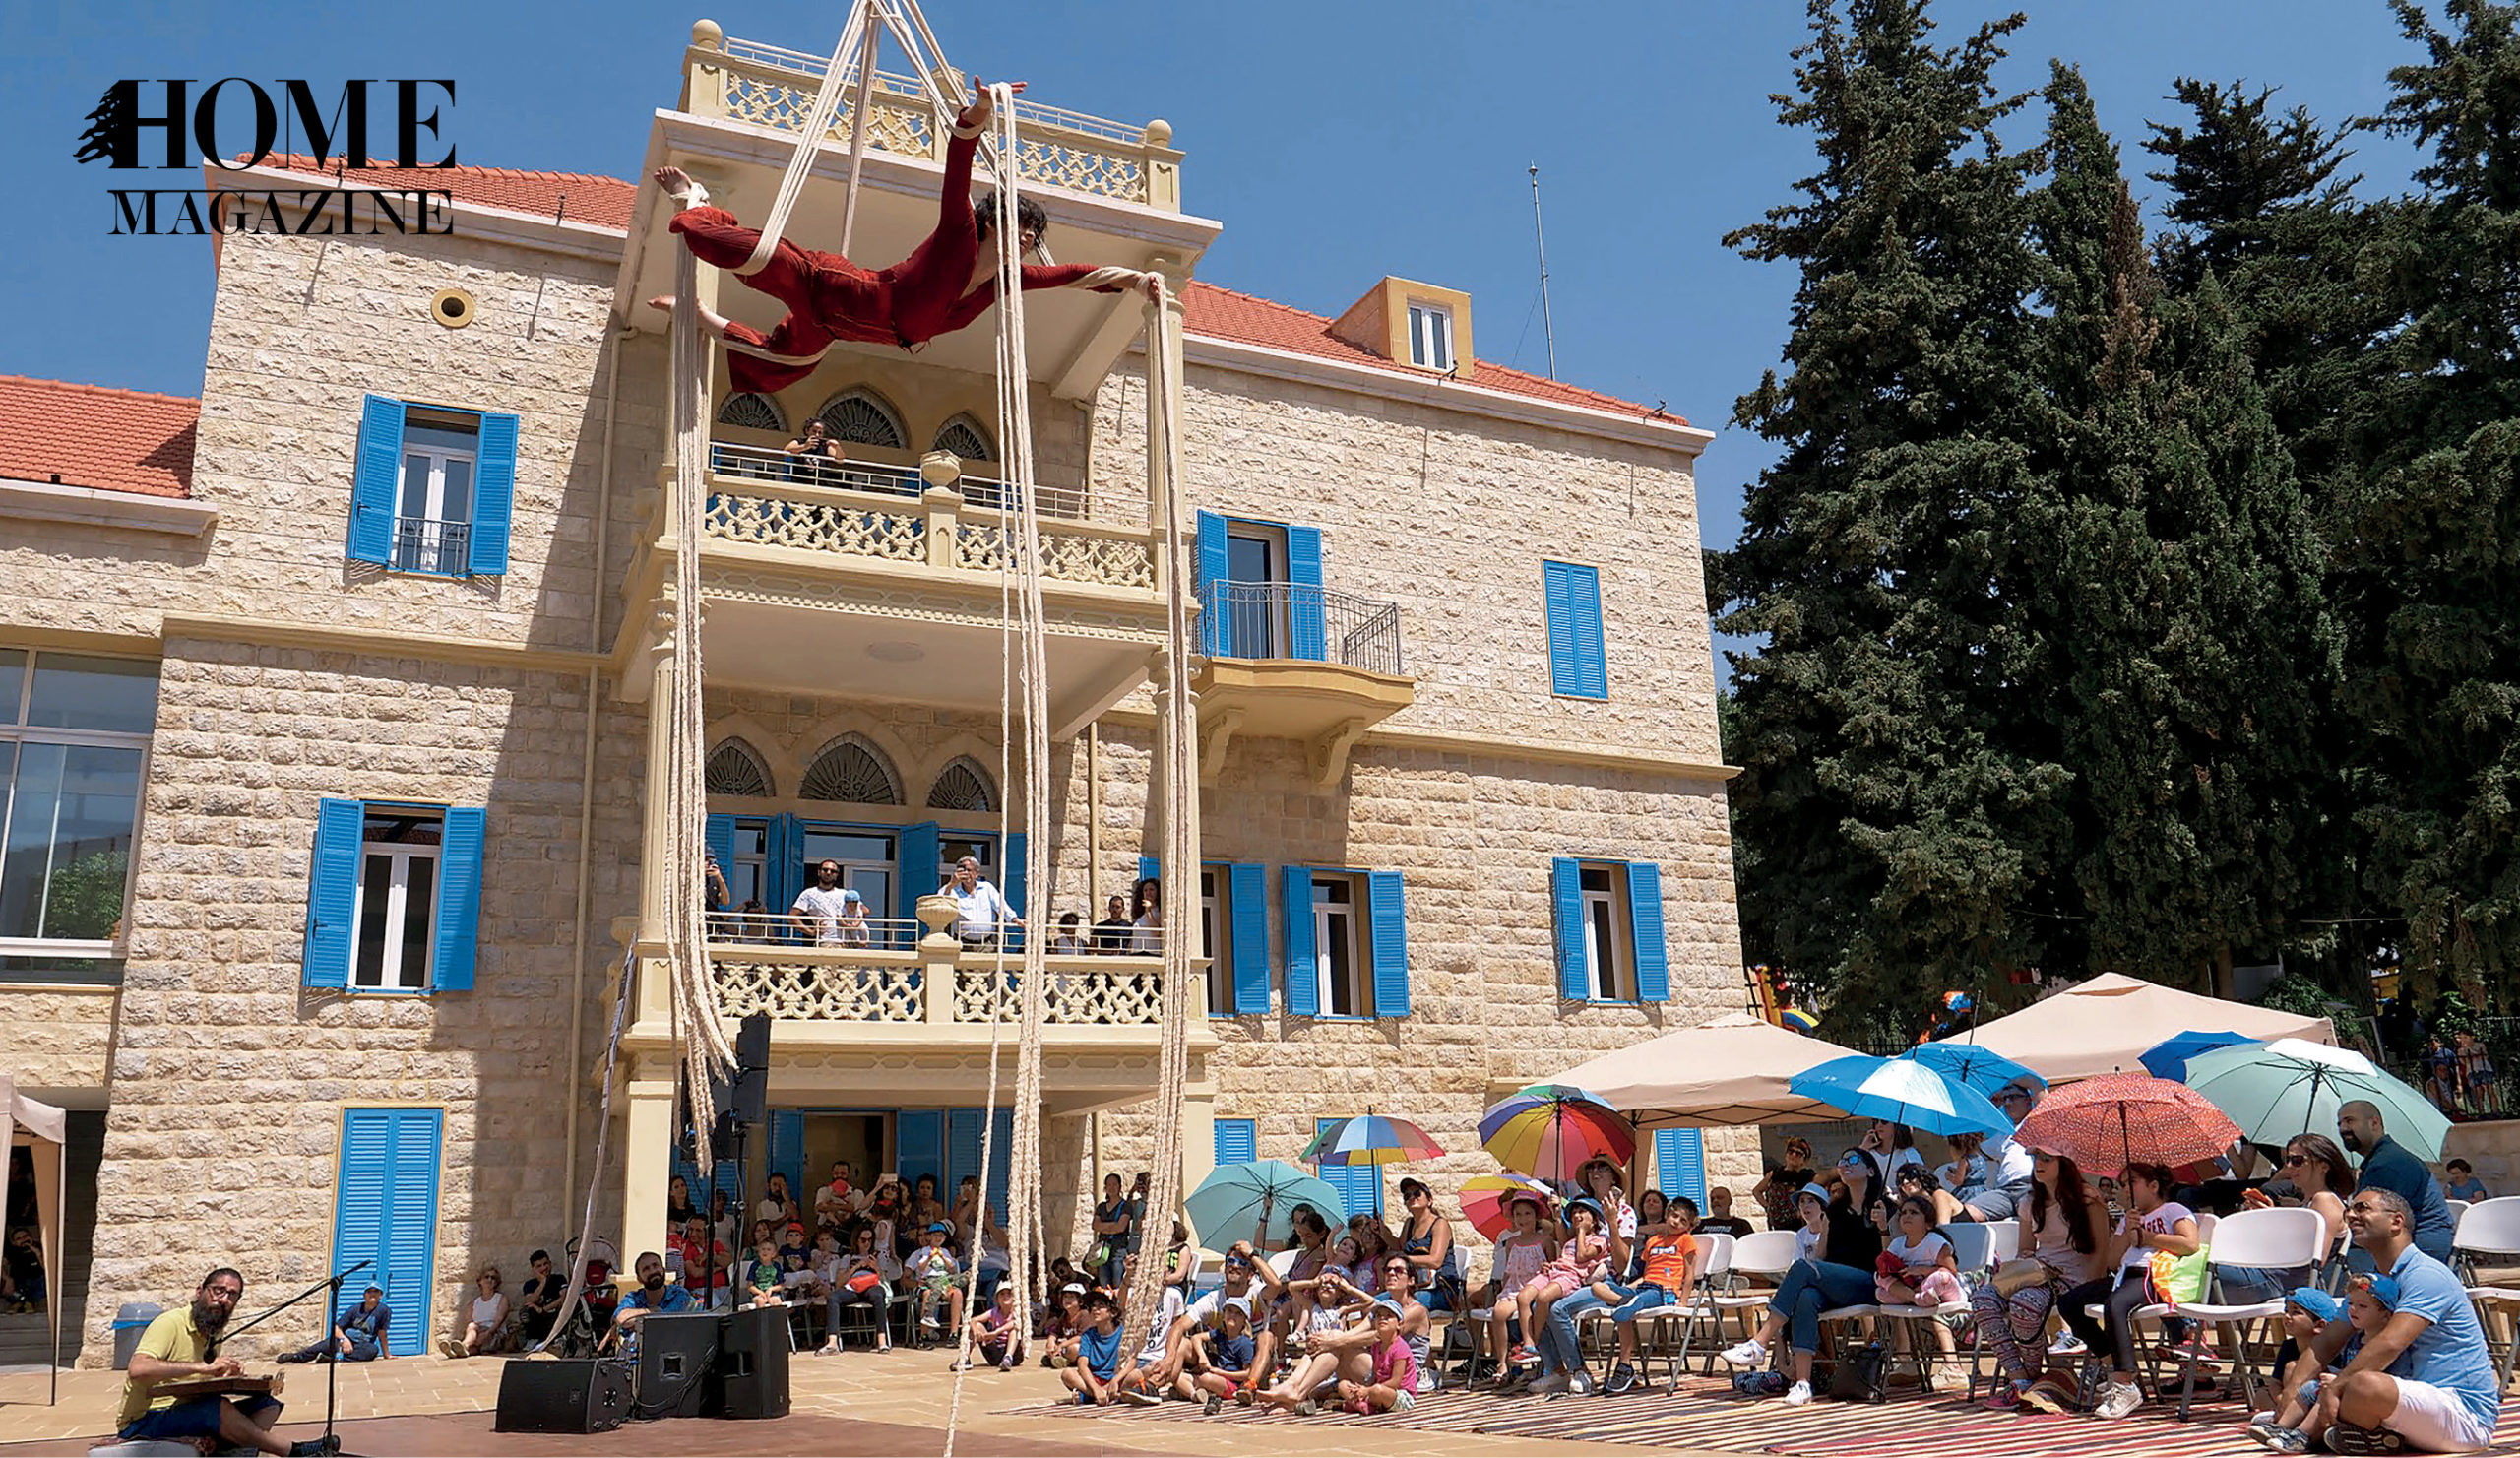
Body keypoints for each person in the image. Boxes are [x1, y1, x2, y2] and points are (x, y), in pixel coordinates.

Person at [648, 84, 1161, 398]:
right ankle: (696, 201)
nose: (1027, 239)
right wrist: (980, 112)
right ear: (989, 223)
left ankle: (702, 317)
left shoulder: (1007, 280)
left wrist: (1139, 281)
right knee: (753, 254)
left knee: (787, 363)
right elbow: (958, 166)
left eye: (1032, 235)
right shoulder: (960, 232)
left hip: (854, 330)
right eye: (1018, 226)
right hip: (842, 290)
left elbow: (1074, 275)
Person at [2273, 1187, 2501, 1453]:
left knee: (2362, 1383)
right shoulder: (2372, 1282)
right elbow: (2327, 1341)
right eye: (2350, 1208)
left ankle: (2319, 1431)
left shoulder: (2426, 1274)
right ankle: (2354, 1434)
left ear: (2396, 1222)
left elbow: (2390, 1343)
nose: (2350, 1215)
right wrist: (2291, 1393)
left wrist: (2334, 1390)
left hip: (2462, 1415)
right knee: (2299, 1373)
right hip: (2409, 1405)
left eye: (2362, 1208)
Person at [1718, 1161, 1889, 1406]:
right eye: (1842, 1161)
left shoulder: (1881, 1206)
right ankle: (1803, 1383)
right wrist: (1826, 1229)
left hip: (1868, 1282)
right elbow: (1820, 1259)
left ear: (1871, 1170)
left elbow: (1891, 1254)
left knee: (1801, 1269)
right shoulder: (1836, 1213)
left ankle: (1759, 1342)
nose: (1844, 1164)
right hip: (1834, 1281)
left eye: (1853, 1160)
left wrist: (1882, 1226)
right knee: (1806, 1296)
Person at [116, 1269, 329, 1455]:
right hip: (145, 1420)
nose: (224, 1299)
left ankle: (224, 1450)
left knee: (267, 1405)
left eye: (232, 1295)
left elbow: (195, 1386)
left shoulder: (213, 1333)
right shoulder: (170, 1322)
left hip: (185, 1412)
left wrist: (228, 1375)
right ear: (200, 1292)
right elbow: (138, 1368)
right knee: (218, 1409)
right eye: (218, 1290)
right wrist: (203, 1367)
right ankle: (293, 1451)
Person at [2056, 1163, 2200, 1420]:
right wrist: (2126, 1231)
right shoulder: (2128, 1217)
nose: (2124, 1189)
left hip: (2154, 1274)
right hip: (2124, 1276)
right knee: (2070, 1303)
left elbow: (2190, 1244)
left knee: (2116, 1305)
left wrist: (2147, 1238)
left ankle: (2124, 1383)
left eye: (2131, 1183)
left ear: (2153, 1186)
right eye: (2122, 1184)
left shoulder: (2173, 1210)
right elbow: (2112, 1261)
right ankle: (2113, 1363)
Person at [1976, 1149, 2107, 1411]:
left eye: (2047, 1159)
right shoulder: (2029, 1202)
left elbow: (2101, 1250)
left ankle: (2031, 1375)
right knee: (1983, 1298)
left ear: (2064, 1164)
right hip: (2040, 1272)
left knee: (2025, 1304)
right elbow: (2026, 1247)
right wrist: (2026, 1265)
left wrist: (2090, 1289)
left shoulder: (2087, 1200)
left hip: (2074, 1279)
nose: (2039, 1164)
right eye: (2036, 1159)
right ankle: (2021, 1378)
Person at [1584, 1195, 1705, 1396]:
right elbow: (1647, 1273)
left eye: (1683, 1221)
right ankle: (1624, 1303)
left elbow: (1689, 1274)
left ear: (1689, 1227)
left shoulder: (1686, 1240)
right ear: (1667, 1214)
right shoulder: (1654, 1241)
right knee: (1598, 1286)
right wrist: (1630, 1287)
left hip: (1663, 1291)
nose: (1676, 1222)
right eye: (1675, 1216)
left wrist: (1683, 1301)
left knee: (1634, 1303)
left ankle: (1624, 1358)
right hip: (1644, 1286)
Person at [2256, 1280, 2390, 1453]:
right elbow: (2274, 1382)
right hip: (2340, 1391)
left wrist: (2336, 1381)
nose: (2352, 1310)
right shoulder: (2355, 1341)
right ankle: (2281, 1426)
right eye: (2350, 1304)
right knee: (2302, 1384)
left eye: (2362, 1306)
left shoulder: (2380, 1343)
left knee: (2318, 1385)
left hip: (2358, 1398)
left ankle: (2301, 1434)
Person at [2338, 1101, 2457, 1263]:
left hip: (2420, 1251)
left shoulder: (2387, 1165)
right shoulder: (2382, 1158)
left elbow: (2372, 1220)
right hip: (2411, 1243)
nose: (2343, 1129)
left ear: (2374, 1123)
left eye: (2349, 1121)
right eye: (2340, 1123)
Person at [1511, 1200, 1609, 1384]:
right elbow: (1566, 1255)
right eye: (1574, 1213)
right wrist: (1557, 1216)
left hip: (1574, 1278)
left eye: (1583, 1212)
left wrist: (1581, 1231)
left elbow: (1581, 1257)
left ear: (1594, 1220)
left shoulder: (1598, 1240)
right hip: (1555, 1272)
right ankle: (1530, 1344)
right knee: (1524, 1298)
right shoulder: (1570, 1241)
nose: (1577, 1216)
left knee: (1544, 1300)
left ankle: (1536, 1341)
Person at [821, 1221, 897, 1355]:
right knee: (833, 1297)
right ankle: (832, 1342)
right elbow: (839, 1283)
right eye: (863, 1240)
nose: (867, 1243)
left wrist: (876, 1268)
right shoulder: (847, 1257)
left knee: (879, 1294)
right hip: (853, 1288)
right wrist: (856, 1266)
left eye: (869, 1240)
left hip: (871, 1287)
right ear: (856, 1241)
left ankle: (882, 1341)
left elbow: (885, 1280)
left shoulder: (877, 1257)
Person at [1337, 1300, 1421, 1415]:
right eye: (1379, 1316)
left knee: (1377, 1390)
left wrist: (1368, 1390)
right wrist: (1363, 1388)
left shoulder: (1401, 1348)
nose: (1382, 1319)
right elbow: (1376, 1374)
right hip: (1376, 1388)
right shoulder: (1377, 1345)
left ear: (1399, 1324)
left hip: (1399, 1394)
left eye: (1388, 1317)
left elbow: (1395, 1382)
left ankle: (1358, 1404)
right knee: (1342, 1385)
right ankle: (1364, 1405)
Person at [611, 1251, 699, 1357]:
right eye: (646, 1269)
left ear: (663, 1270)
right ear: (639, 1278)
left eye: (655, 1265)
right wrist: (653, 1311)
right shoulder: (634, 1297)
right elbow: (622, 1319)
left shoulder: (679, 1294)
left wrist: (636, 1321)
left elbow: (664, 1320)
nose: (652, 1271)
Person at [280, 1285, 392, 1364]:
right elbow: (336, 1327)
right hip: (345, 1340)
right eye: (369, 1291)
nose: (372, 1294)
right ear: (364, 1295)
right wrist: (344, 1340)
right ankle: (294, 1357)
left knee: (372, 1351)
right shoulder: (355, 1309)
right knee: (317, 1348)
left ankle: (336, 1359)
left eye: (376, 1291)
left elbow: (382, 1334)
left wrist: (387, 1354)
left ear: (380, 1295)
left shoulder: (384, 1311)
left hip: (362, 1345)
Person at [1186, 1297, 1261, 1413]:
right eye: (1229, 1311)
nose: (1232, 1316)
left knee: (1206, 1378)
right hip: (1215, 1376)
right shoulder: (1220, 1334)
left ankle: (1193, 1390)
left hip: (1232, 1384)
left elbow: (1246, 1374)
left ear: (1244, 1320)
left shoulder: (1245, 1343)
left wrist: (1220, 1372)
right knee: (1179, 1378)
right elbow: (1196, 1338)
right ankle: (1195, 1394)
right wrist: (1202, 1356)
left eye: (1238, 1314)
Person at [1395, 1177, 1458, 1312]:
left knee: (1399, 1305)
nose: (1412, 1197)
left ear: (1430, 1200)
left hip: (1442, 1289)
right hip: (1417, 1287)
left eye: (1417, 1193)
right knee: (1378, 1302)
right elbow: (1398, 1247)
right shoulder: (1409, 1224)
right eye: (1407, 1196)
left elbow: (1435, 1261)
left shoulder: (1440, 1224)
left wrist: (1404, 1260)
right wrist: (1381, 1230)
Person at [939, 856, 1021, 947]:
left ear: (976, 874)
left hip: (986, 944)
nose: (965, 873)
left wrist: (1014, 919)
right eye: (962, 871)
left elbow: (1001, 906)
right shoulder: (952, 890)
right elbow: (940, 902)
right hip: (962, 943)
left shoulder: (987, 888)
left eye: (969, 870)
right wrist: (951, 884)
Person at [1062, 1292, 1125, 1405]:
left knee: (1133, 1376)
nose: (1095, 1310)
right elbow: (1082, 1366)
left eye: (1101, 1306)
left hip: (1116, 1378)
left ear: (1113, 1312)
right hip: (1094, 1379)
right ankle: (1099, 1395)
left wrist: (1114, 1382)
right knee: (1067, 1374)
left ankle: (1088, 1395)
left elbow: (1130, 1362)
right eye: (1093, 1307)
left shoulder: (1123, 1333)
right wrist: (1096, 1389)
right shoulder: (1088, 1335)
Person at [907, 1221, 968, 1336]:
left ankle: (953, 1334)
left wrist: (943, 1257)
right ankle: (924, 1334)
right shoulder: (921, 1253)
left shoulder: (944, 1252)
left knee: (958, 1292)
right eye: (935, 1235)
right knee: (928, 1293)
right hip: (928, 1282)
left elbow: (952, 1268)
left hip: (944, 1280)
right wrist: (916, 1281)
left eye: (941, 1236)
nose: (938, 1238)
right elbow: (909, 1274)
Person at [792, 860, 871, 948]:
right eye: (825, 870)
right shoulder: (809, 894)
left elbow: (865, 910)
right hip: (828, 942)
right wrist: (811, 932)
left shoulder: (845, 894)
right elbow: (793, 916)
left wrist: (853, 921)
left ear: (836, 875)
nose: (828, 873)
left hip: (849, 943)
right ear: (819, 872)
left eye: (833, 871)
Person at [956, 1284, 1026, 1372]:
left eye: (1009, 1294)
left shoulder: (1018, 1312)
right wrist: (976, 1331)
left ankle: (1008, 1357)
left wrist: (996, 1332)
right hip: (995, 1354)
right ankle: (965, 1358)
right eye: (1002, 1294)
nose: (1005, 1296)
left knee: (1015, 1329)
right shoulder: (994, 1312)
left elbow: (1016, 1323)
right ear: (997, 1299)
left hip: (1015, 1354)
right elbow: (973, 1320)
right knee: (976, 1326)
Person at [441, 1265, 507, 1358]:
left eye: (493, 1278)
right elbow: (469, 1322)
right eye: (487, 1277)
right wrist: (478, 1335)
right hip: (476, 1334)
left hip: (493, 1332)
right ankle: (462, 1349)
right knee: (472, 1330)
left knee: (474, 1333)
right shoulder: (474, 1303)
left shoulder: (500, 1299)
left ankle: (461, 1347)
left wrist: (487, 1333)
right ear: (480, 1281)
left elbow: (499, 1320)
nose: (490, 1280)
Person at [1754, 1139, 1817, 1230]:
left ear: (1804, 1159)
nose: (1793, 1155)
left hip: (1799, 1224)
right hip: (1777, 1223)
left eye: (1798, 1153)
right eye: (1791, 1151)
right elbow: (1757, 1191)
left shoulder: (1807, 1176)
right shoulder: (1774, 1174)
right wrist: (1768, 1207)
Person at [517, 1249, 567, 1348]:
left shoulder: (559, 1279)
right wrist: (543, 1282)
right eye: (539, 1266)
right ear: (533, 1269)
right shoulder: (530, 1284)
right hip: (539, 1321)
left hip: (555, 1316)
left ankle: (558, 1339)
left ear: (550, 1263)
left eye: (546, 1264)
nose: (544, 1268)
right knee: (527, 1311)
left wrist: (543, 1310)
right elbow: (530, 1301)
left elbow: (564, 1298)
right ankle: (533, 1339)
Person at [1091, 1173, 1133, 1287]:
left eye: (1114, 1184)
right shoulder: (1101, 1207)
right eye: (1109, 1185)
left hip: (1118, 1250)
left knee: (1118, 1284)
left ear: (1119, 1187)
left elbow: (1121, 1227)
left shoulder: (1126, 1206)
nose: (1112, 1187)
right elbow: (1095, 1225)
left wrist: (1104, 1227)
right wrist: (1112, 1226)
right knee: (1104, 1283)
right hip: (1103, 1251)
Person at [782, 417, 848, 485]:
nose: (817, 435)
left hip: (819, 483)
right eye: (814, 431)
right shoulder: (799, 441)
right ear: (807, 431)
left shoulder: (824, 445)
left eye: (820, 433)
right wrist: (805, 446)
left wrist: (837, 446)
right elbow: (786, 451)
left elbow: (840, 459)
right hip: (799, 482)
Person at [2454, 1032, 2501, 1117]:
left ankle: (2495, 1110)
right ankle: (2481, 1112)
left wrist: (2471, 1053)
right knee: (2478, 1093)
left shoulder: (2479, 1045)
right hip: (2472, 1071)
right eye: (2461, 1038)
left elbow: (2484, 1055)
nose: (2463, 1040)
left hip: (2484, 1069)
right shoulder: (2460, 1050)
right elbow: (2463, 1061)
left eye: (2465, 1037)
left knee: (2490, 1090)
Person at [1129, 876, 1163, 952]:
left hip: (1151, 952)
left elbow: (1156, 932)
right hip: (1138, 952)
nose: (1148, 893)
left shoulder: (1160, 911)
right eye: (1145, 890)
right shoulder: (1140, 913)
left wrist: (1148, 910)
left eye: (1151, 890)